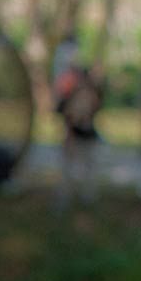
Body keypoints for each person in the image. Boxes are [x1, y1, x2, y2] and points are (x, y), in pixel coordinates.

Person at [56, 63, 104, 208]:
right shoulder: (71, 94)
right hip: (74, 136)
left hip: (86, 137)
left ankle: (85, 198)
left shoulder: (90, 94)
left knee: (87, 170)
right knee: (69, 171)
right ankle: (66, 198)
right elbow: (66, 115)